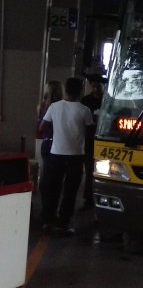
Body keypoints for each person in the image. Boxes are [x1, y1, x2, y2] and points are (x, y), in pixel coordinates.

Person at [39, 77, 94, 236]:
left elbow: (43, 127)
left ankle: (48, 221)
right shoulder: (85, 110)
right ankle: (63, 224)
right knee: (70, 191)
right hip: (76, 156)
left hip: (55, 153)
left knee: (52, 189)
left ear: (66, 90)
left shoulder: (54, 107)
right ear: (80, 91)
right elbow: (90, 133)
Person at [80, 77, 104, 209]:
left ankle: (96, 198)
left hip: (100, 137)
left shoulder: (106, 100)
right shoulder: (85, 101)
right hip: (89, 139)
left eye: (98, 87)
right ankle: (88, 198)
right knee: (89, 169)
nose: (95, 89)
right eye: (93, 87)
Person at [35, 81, 63, 187]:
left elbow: (40, 127)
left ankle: (46, 191)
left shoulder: (43, 106)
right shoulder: (62, 107)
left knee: (46, 171)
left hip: (46, 140)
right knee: (58, 174)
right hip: (59, 143)